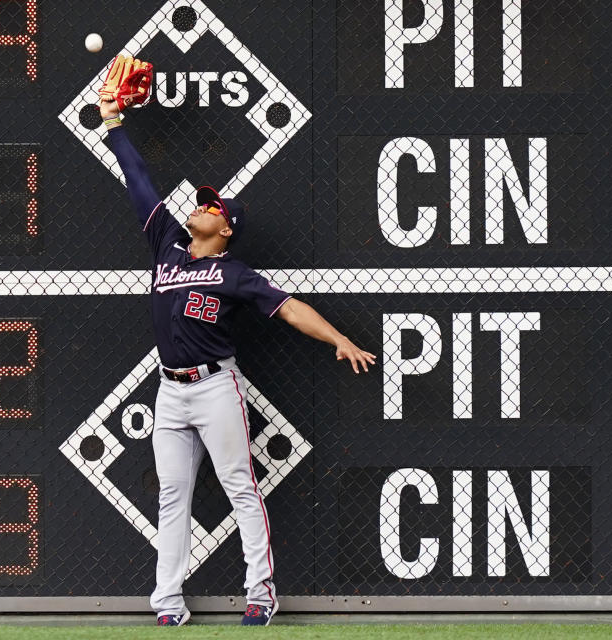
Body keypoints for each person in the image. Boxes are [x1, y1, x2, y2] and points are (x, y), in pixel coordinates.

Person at [99, 93, 376, 627]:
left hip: (214, 389)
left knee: (239, 487)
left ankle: (261, 591)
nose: (200, 206)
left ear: (224, 229)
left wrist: (337, 337)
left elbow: (290, 308)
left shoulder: (234, 273)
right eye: (203, 203)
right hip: (170, 391)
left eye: (211, 207)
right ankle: (169, 601)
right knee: (172, 496)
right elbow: (139, 183)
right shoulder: (167, 247)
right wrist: (113, 124)